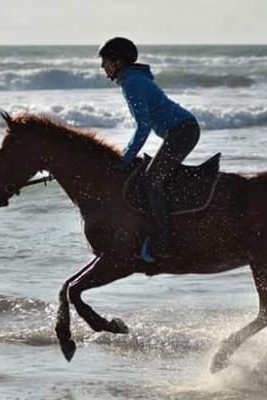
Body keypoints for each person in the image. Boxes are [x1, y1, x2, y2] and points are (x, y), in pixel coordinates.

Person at [98, 37, 200, 262]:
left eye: (105, 61)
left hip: (183, 131)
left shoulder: (132, 83)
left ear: (118, 62)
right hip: (178, 131)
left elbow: (143, 127)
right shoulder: (131, 79)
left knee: (151, 180)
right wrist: (126, 157)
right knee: (149, 175)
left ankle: (163, 241)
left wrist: (125, 159)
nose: (101, 67)